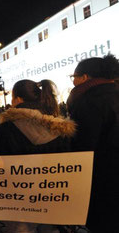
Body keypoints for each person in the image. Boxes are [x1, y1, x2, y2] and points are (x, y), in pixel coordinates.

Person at [0, 79, 76, 233]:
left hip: (20, 198)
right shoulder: (60, 127)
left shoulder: (8, 127)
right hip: (51, 197)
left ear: (17, 100)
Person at [67, 54, 119, 232]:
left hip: (104, 179)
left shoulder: (89, 101)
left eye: (74, 77)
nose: (73, 83)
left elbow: (84, 146)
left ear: (85, 77)